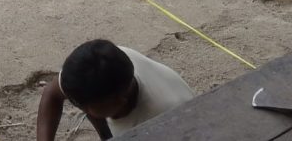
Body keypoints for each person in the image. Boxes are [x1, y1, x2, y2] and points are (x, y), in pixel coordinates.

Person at [36, 39, 195, 140]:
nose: (78, 107)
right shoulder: (107, 62)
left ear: (120, 100)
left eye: (83, 105)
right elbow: (52, 94)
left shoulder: (160, 122)